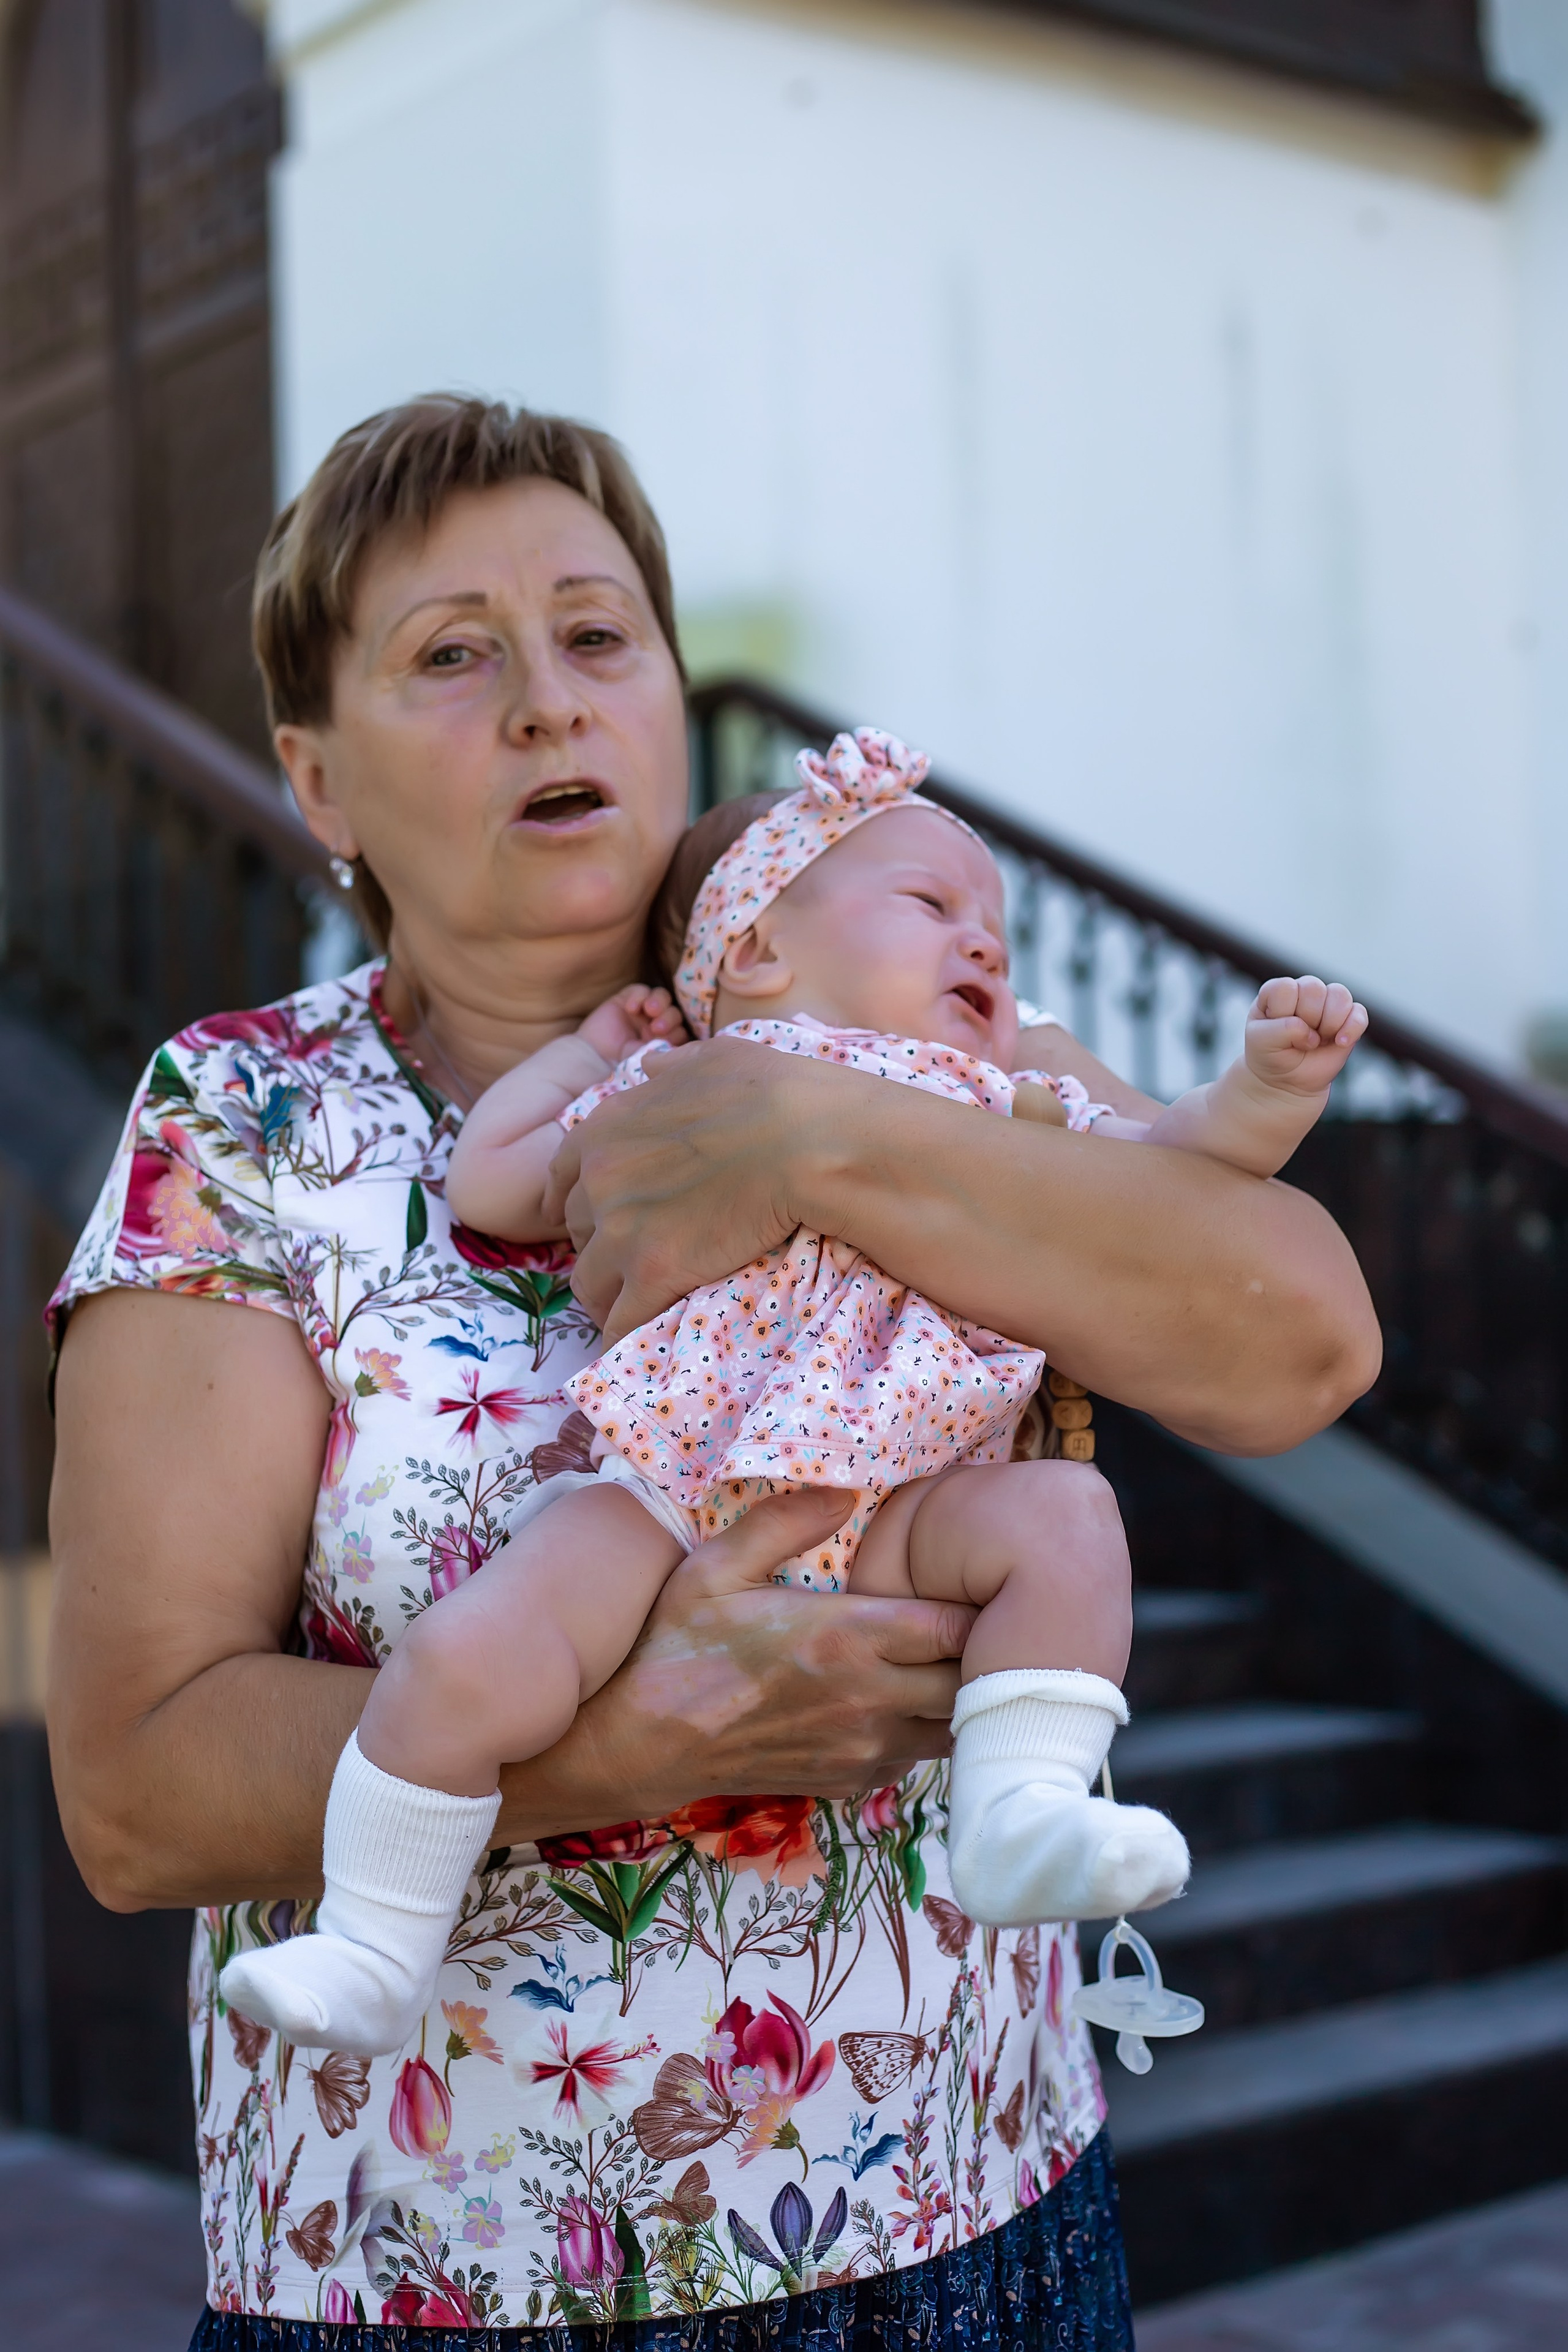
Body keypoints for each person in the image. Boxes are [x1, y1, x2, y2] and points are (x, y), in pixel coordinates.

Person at [45, 396, 1381, 2350]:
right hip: (431, 2290)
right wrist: (625, 1745)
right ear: (317, 782)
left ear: (674, 704)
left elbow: (1306, 1347)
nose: (546, 705)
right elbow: (136, 1793)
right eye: (451, 655)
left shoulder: (911, 1039)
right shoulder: (246, 1124)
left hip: (972, 2233)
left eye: (599, 637)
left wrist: (811, 1139)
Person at [221, 721, 1368, 2059]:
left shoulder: (999, 1101)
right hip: (668, 1496)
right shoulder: (672, 1089)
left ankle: (1020, 1812)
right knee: (472, 1654)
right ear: (756, 951)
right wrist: (595, 1053)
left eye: (992, 920)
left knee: (1064, 1524)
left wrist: (1266, 1088)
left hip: (902, 1501)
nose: (984, 941)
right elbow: (491, 1181)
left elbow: (1179, 1163)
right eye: (931, 905)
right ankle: (370, 1940)